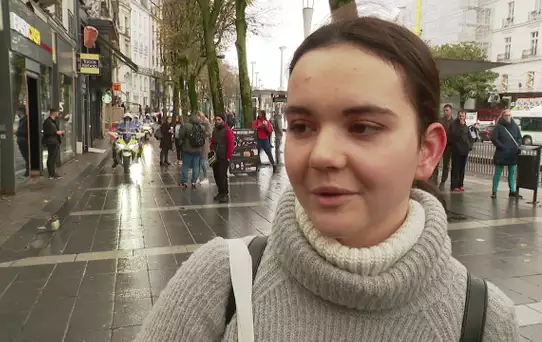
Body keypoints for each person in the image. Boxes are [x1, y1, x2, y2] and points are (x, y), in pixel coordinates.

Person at [137, 17, 517, 341]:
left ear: (428, 150)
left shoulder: (482, 319)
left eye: (363, 127)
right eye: (302, 126)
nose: (322, 155)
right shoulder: (221, 283)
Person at [490, 109, 522, 199]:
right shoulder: (499, 126)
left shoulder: (514, 126)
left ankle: (512, 191)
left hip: (512, 153)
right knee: (498, 173)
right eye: (506, 115)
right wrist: (502, 146)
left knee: (512, 173)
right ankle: (494, 191)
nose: (508, 117)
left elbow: (519, 137)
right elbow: (494, 138)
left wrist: (518, 144)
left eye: (509, 115)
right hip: (502, 153)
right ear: (502, 116)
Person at [210, 114, 234, 203]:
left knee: (222, 175)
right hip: (215, 156)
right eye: (216, 119)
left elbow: (231, 144)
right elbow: (212, 141)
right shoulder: (215, 130)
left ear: (223, 120)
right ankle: (220, 192)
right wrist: (211, 151)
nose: (217, 121)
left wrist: (228, 156)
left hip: (223, 156)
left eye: (219, 119)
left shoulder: (227, 130)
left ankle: (224, 193)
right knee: (216, 175)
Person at [177, 114, 205, 188]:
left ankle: (184, 182)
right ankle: (194, 182)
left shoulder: (186, 126)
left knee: (185, 166)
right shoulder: (202, 127)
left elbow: (181, 135)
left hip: (187, 150)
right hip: (198, 150)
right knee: (196, 166)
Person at [450, 110, 474, 192]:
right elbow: (454, 134)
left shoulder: (466, 126)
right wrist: (461, 125)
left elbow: (469, 137)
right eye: (460, 116)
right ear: (458, 116)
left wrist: (470, 145)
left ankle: (460, 184)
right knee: (456, 167)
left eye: (463, 116)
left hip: (464, 150)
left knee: (462, 168)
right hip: (456, 149)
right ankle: (454, 185)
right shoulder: (454, 124)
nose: (461, 117)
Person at [432, 104, 453, 188]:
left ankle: (443, 180)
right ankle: (434, 179)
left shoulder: (453, 122)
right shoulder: (440, 121)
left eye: (447, 110)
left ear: (451, 111)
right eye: (444, 110)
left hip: (448, 146)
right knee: (436, 163)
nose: (445, 112)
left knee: (446, 164)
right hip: (440, 145)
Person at [42, 108, 64, 180]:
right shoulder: (47, 122)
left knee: (53, 158)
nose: (58, 114)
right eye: (57, 112)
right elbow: (47, 132)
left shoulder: (53, 121)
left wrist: (59, 132)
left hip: (55, 141)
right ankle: (51, 174)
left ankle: (53, 173)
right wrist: (56, 132)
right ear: (54, 113)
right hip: (51, 142)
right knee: (51, 158)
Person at [14, 105, 29, 177]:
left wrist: (16, 132)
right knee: (26, 157)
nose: (16, 112)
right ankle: (27, 172)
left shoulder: (25, 120)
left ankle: (28, 172)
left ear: (20, 112)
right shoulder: (22, 119)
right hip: (22, 141)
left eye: (17, 111)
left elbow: (25, 131)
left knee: (27, 157)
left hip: (24, 141)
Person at [198, 113, 213, 185]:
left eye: (199, 116)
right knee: (198, 161)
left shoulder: (206, 123)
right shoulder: (197, 123)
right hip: (198, 144)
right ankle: (197, 177)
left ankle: (206, 177)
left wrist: (202, 133)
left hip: (204, 143)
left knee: (203, 161)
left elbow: (210, 133)